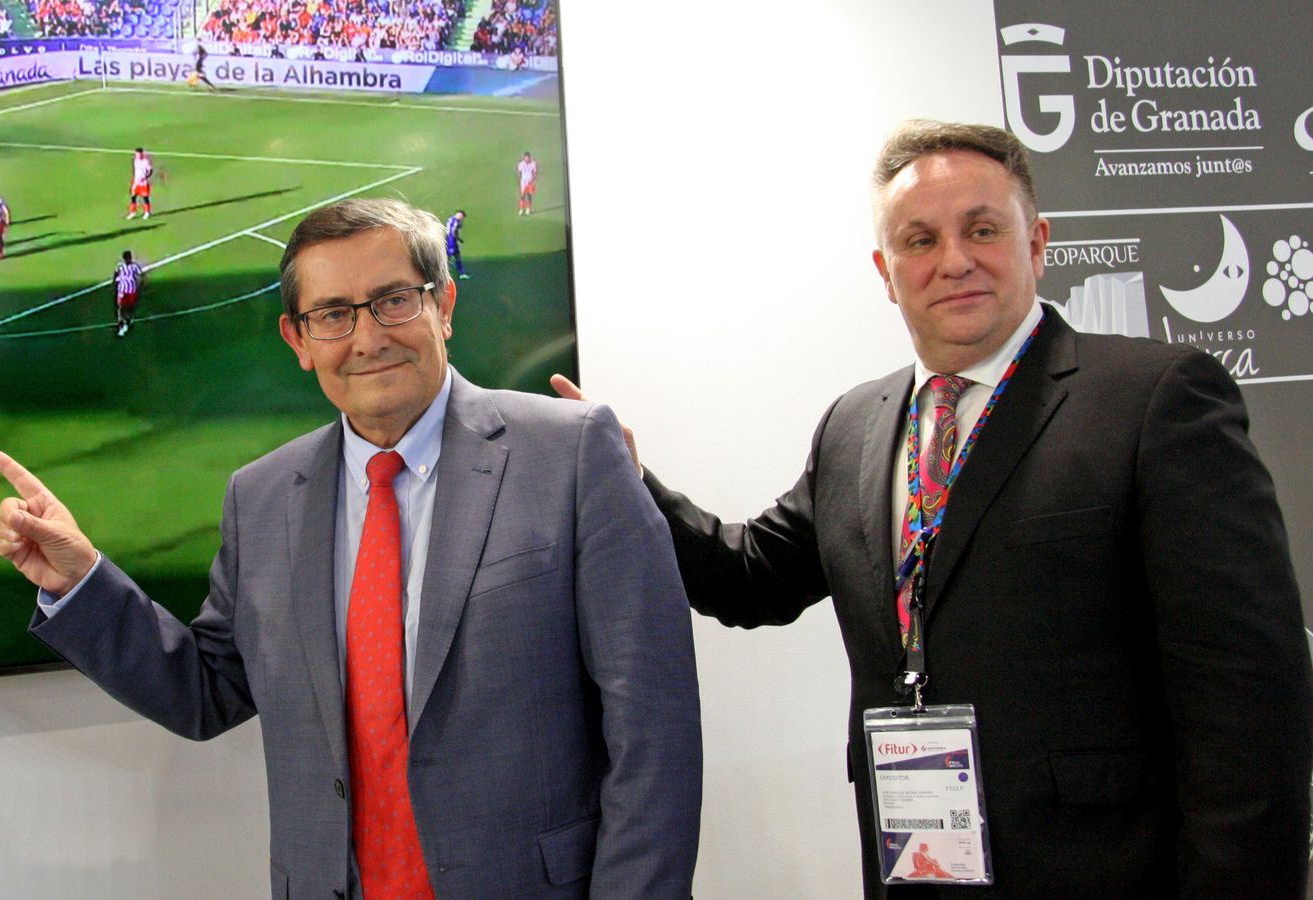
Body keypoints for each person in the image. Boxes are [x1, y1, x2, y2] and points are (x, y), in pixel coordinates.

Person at [556, 120, 1313, 898]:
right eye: (919, 241)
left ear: (1037, 242)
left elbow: (1250, 702)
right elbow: (751, 578)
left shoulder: (1155, 401)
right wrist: (626, 477)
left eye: (982, 229)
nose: (954, 261)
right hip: (916, 867)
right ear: (886, 271)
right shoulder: (856, 425)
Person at [0, 198, 701, 898]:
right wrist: (81, 582)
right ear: (298, 341)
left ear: (444, 304)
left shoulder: (570, 454)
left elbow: (655, 730)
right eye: (332, 314)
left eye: (394, 299)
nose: (367, 338)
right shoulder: (262, 497)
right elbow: (207, 691)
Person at [112, 249, 142, 338]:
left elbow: (140, 276)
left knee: (130, 307)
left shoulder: (135, 267)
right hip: (122, 290)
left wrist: (138, 286)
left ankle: (128, 320)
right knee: (121, 307)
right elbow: (115, 274)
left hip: (131, 291)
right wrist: (115, 283)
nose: (128, 259)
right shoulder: (120, 266)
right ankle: (121, 324)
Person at [127, 148, 153, 220]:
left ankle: (147, 212)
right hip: (136, 182)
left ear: (142, 154)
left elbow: (150, 171)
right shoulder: (135, 161)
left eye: (138, 154)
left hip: (143, 183)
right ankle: (132, 212)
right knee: (133, 197)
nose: (137, 155)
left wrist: (145, 177)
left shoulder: (146, 162)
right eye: (136, 154)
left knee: (145, 198)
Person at [444, 209, 467, 280]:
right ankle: (445, 274)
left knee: (456, 257)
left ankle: (461, 273)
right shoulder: (456, 222)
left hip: (450, 240)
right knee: (448, 257)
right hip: (451, 241)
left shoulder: (451, 220)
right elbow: (453, 232)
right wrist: (459, 240)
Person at [517, 151, 538, 216]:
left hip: (530, 182)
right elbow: (519, 173)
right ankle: (521, 209)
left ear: (530, 157)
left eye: (528, 158)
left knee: (529, 196)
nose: (527, 159)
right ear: (524, 158)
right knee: (522, 196)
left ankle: (528, 209)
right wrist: (518, 181)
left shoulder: (533, 163)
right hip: (523, 181)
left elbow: (535, 173)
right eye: (525, 158)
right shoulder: (520, 164)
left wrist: (533, 181)